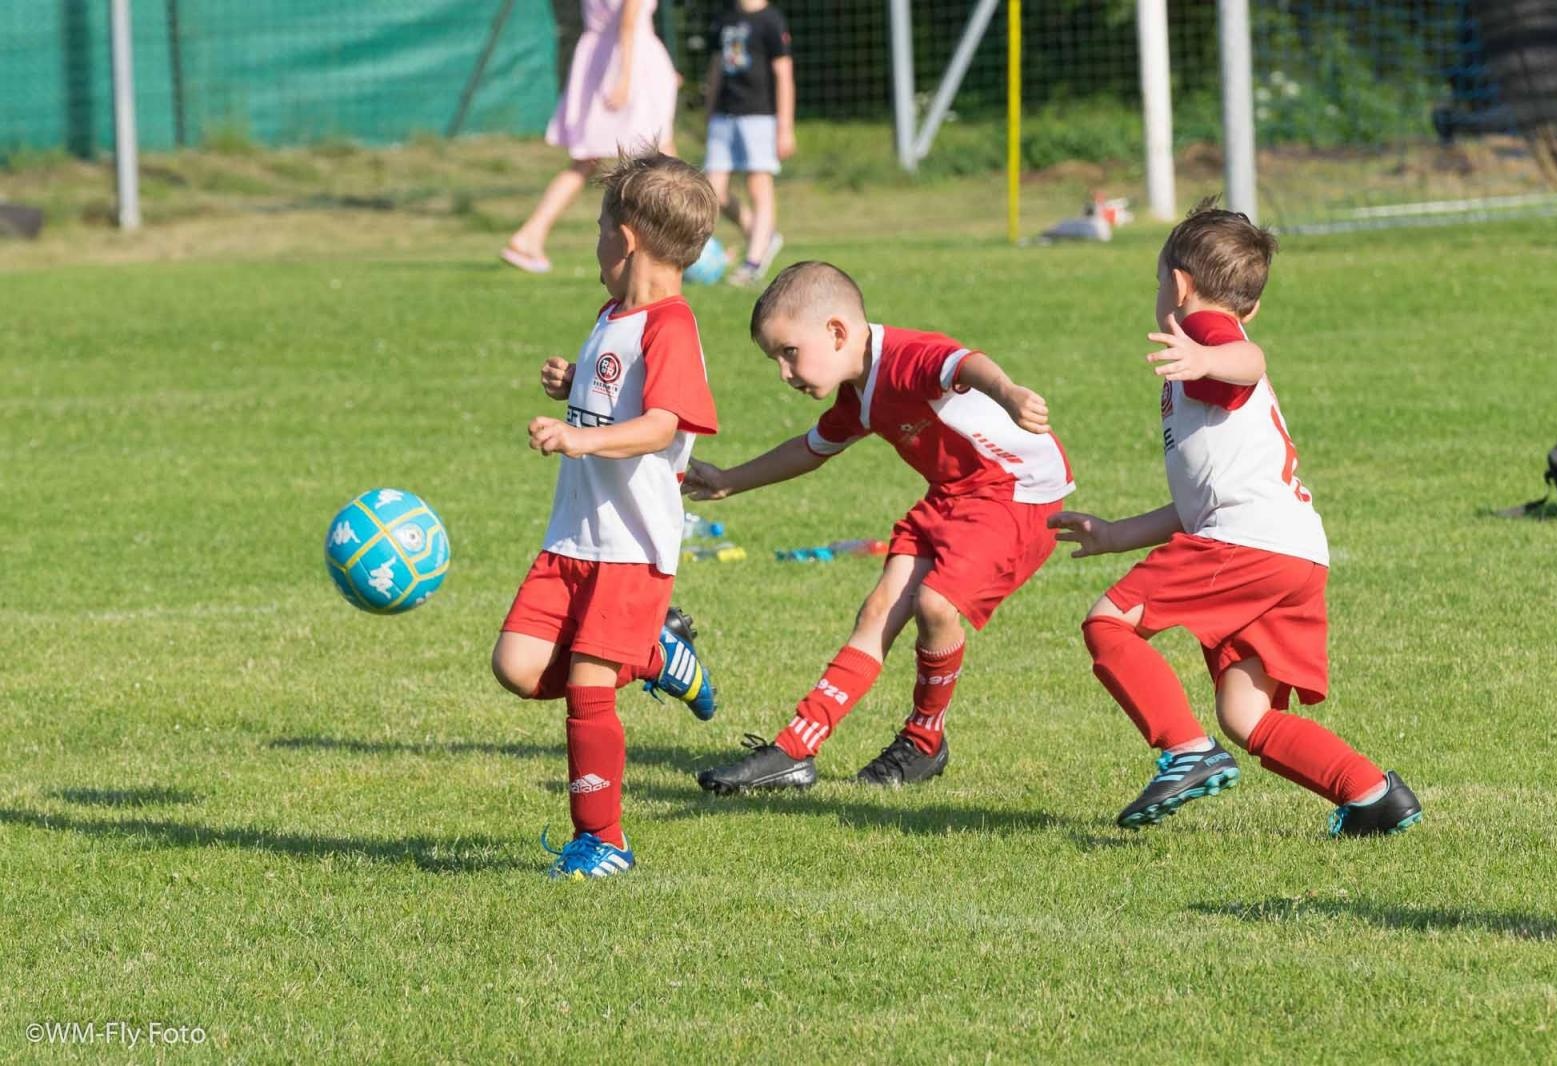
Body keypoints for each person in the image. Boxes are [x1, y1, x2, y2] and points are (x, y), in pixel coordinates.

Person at [1049, 199, 1423, 838]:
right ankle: (1371, 795)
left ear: (1181, 284)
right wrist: (1116, 534)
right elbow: (1200, 504)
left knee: (1108, 623)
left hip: (1248, 544)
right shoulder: (1208, 350)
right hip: (1290, 551)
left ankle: (1184, 752)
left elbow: (1250, 363)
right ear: (1253, 302)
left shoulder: (1207, 336)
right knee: (1245, 715)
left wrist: (1207, 358)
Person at [686, 261, 1073, 792]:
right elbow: (810, 449)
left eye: (788, 353)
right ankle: (794, 751)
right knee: (877, 611)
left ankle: (924, 739)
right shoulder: (859, 391)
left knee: (935, 604)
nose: (784, 372)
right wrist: (730, 480)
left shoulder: (904, 357)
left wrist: (1008, 392)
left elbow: (962, 362)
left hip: (1017, 493)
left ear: (837, 332)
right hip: (955, 493)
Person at [492, 152, 722, 879]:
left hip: (631, 544)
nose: (590, 242)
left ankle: (604, 841)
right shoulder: (612, 316)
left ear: (624, 238)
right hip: (573, 536)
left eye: (595, 228)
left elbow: (660, 426)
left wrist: (579, 436)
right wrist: (575, 389)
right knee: (519, 668)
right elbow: (618, 399)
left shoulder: (672, 327)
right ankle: (657, 656)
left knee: (589, 686)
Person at [501, 0, 680, 274]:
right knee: (662, 157)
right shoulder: (628, 57)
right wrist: (624, 77)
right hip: (628, 63)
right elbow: (628, 23)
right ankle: (683, 239)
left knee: (587, 160)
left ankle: (531, 233)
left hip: (598, 60)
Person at [704, 0, 795, 287]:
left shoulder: (771, 21)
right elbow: (717, 66)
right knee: (712, 191)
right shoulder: (724, 18)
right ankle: (763, 235)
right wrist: (709, 110)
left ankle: (753, 262)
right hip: (724, 116)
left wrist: (785, 127)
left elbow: (784, 75)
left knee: (758, 186)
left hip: (758, 117)